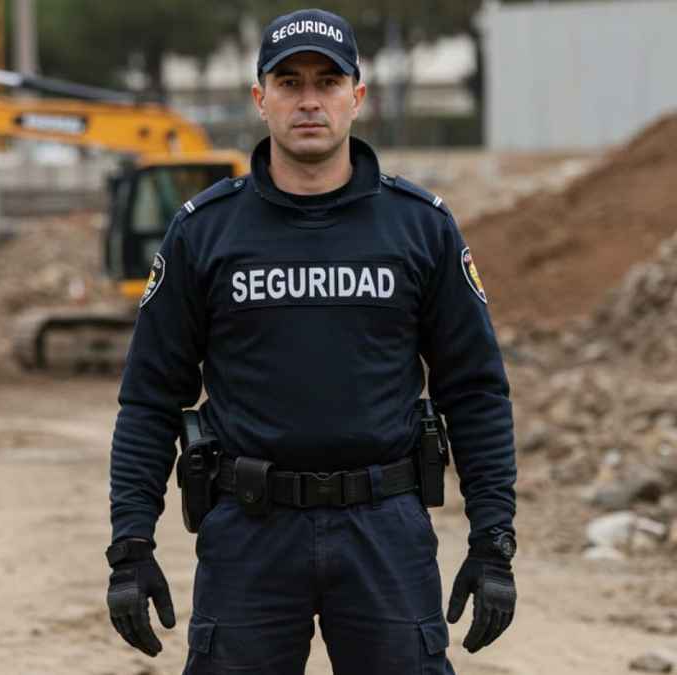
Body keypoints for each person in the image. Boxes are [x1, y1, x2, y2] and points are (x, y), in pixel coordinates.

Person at [104, 8, 517, 674]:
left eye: (328, 81)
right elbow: (152, 399)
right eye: (289, 81)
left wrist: (493, 542)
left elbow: (474, 391)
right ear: (259, 98)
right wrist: (130, 546)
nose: (309, 100)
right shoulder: (204, 233)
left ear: (358, 97)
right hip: (249, 537)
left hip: (385, 533)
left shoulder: (421, 229)